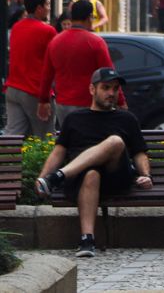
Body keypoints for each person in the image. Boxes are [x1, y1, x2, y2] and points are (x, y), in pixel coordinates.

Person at [35, 68, 152, 258]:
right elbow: (58, 152)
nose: (111, 93)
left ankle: (58, 177)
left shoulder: (126, 119)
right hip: (83, 180)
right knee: (91, 174)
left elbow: (139, 153)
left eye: (115, 89)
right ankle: (87, 239)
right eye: (106, 88)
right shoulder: (74, 119)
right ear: (92, 89)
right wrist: (41, 178)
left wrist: (146, 176)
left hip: (116, 177)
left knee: (115, 141)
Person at [39, 0, 123, 127]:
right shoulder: (96, 42)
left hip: (63, 104)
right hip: (89, 103)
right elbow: (109, 75)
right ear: (89, 17)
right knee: (90, 141)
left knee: (71, 142)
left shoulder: (55, 42)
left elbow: (47, 75)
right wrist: (121, 101)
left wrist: (43, 100)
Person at [6, 0, 57, 137]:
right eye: (47, 4)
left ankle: (7, 160)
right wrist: (46, 97)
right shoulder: (48, 31)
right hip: (35, 91)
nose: (49, 8)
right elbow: (53, 64)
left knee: (13, 136)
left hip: (13, 88)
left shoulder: (16, 27)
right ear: (39, 8)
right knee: (45, 138)